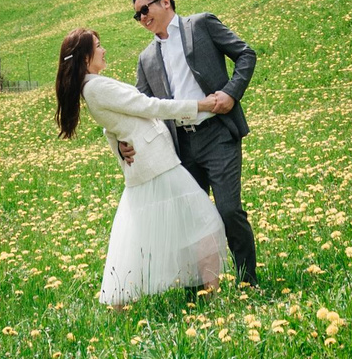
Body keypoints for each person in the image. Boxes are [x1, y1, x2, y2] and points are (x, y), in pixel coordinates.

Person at [54, 27, 227, 308]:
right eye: (98, 46)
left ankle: (129, 302)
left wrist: (117, 143)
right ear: (86, 57)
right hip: (156, 164)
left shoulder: (93, 86)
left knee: (144, 236)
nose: (103, 50)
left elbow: (113, 122)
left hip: (150, 164)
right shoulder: (96, 86)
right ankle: (212, 296)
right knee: (203, 222)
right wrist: (200, 105)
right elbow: (148, 106)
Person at [131, 0, 259, 285]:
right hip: (182, 147)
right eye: (136, 16)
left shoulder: (200, 25)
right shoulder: (146, 59)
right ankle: (201, 288)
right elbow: (143, 108)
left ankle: (248, 282)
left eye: (145, 10)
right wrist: (127, 142)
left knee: (229, 211)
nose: (142, 18)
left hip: (218, 134)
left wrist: (231, 93)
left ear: (165, 2)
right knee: (192, 222)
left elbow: (246, 54)